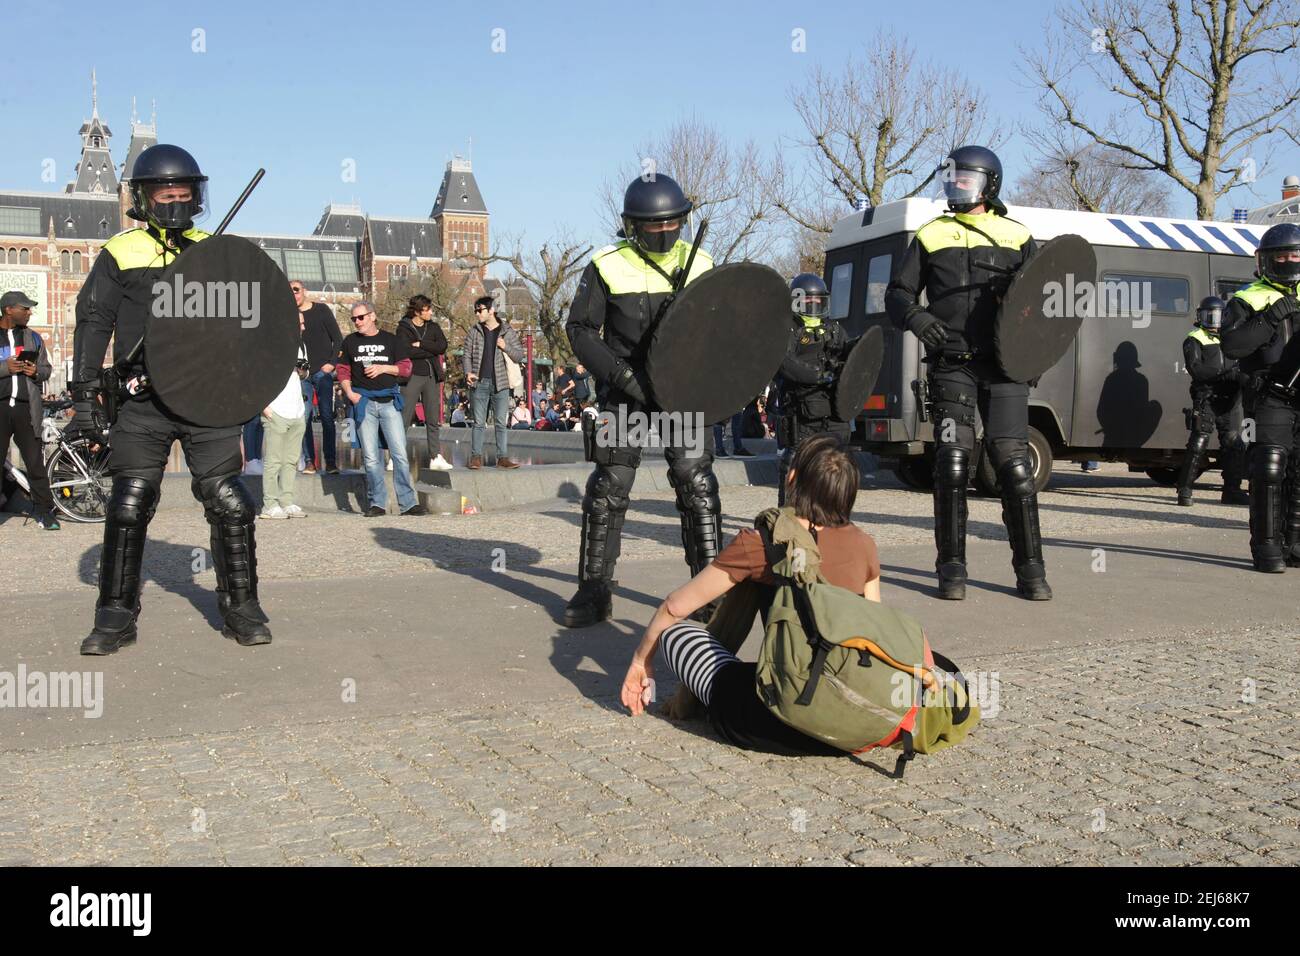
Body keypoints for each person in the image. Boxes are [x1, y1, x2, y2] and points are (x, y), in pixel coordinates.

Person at [70, 144, 271, 653]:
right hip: (142, 400)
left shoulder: (214, 249)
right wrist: (86, 393)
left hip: (207, 401)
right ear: (145, 197)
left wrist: (251, 384)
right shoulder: (121, 251)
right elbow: (94, 322)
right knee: (129, 504)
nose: (176, 201)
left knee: (230, 501)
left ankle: (241, 607)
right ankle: (114, 614)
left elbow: (249, 325)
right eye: (166, 193)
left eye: (184, 193)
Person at [620, 435, 879, 754]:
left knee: (676, 634)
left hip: (782, 722)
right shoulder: (865, 545)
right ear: (849, 493)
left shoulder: (761, 542)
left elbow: (674, 606)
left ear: (792, 477)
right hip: (852, 723)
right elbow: (873, 627)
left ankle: (702, 699)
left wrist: (640, 661)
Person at [885, 144, 1050, 601]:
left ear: (988, 184)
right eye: (952, 178)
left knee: (1014, 466)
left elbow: (1043, 308)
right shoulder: (931, 233)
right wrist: (919, 320)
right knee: (952, 462)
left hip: (1004, 367)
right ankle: (951, 571)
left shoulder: (1017, 235)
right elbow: (897, 294)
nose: (956, 186)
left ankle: (1031, 571)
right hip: (951, 364)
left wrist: (1025, 332)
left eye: (966, 179)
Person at [563, 173, 719, 628]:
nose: (664, 233)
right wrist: (623, 376)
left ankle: (709, 589)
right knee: (609, 487)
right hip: (623, 392)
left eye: (672, 223)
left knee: (698, 485)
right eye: (654, 226)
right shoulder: (606, 263)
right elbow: (580, 330)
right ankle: (594, 590)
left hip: (681, 392)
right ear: (633, 226)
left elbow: (721, 331)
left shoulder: (701, 262)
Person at [1220, 222, 1300, 571]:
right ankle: (1266, 548)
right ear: (1265, 260)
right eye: (1280, 255)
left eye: (1294, 254)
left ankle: (1294, 544)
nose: (1288, 260)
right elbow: (1234, 346)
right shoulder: (1247, 297)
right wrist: (1270, 316)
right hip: (1269, 396)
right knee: (1268, 468)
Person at [337, 302, 426, 516]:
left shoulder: (390, 340)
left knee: (399, 454)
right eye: (354, 319)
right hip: (364, 403)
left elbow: (406, 369)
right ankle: (377, 503)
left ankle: (408, 503)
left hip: (388, 402)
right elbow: (342, 370)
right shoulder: (350, 341)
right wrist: (350, 394)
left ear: (373, 316)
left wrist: (384, 368)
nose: (357, 322)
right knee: (370, 457)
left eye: (361, 317)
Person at [773, 273, 848, 498]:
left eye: (818, 300)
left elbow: (853, 363)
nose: (814, 305)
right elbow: (784, 362)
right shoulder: (787, 330)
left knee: (835, 470)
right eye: (808, 301)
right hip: (800, 415)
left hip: (833, 415)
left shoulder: (835, 330)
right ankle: (788, 520)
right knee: (794, 467)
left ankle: (832, 521)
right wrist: (818, 375)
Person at [1175, 296, 1249, 507]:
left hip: (1230, 398)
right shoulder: (1194, 338)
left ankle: (1232, 490)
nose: (1213, 321)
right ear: (1200, 317)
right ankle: (1185, 489)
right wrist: (1230, 374)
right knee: (1198, 443)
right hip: (1207, 396)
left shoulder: (1231, 336)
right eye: (1208, 316)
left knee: (1234, 444)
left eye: (1217, 316)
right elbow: (1197, 370)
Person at [0, 291, 58, 530]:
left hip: (27, 409)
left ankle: (45, 512)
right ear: (8, 310)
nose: (29, 312)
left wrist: (35, 372)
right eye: (25, 308)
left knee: (35, 463)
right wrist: (5, 368)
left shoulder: (33, 338)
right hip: (0, 408)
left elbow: (46, 369)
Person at [463, 295, 525, 470]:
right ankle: (476, 457)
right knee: (478, 422)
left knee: (500, 422)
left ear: (491, 310)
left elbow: (520, 355)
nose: (477, 314)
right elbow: (466, 354)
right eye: (475, 310)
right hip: (479, 382)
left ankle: (502, 458)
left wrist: (506, 346)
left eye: (480, 310)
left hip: (501, 383)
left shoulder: (507, 331)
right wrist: (468, 372)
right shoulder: (474, 331)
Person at [259, 309, 310, 519]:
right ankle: (269, 504)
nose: (303, 326)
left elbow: (305, 374)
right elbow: (257, 375)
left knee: (291, 460)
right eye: (300, 323)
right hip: (276, 409)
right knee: (273, 461)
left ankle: (287, 500)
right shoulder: (270, 345)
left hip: (296, 410)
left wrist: (302, 370)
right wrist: (264, 407)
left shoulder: (301, 345)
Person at [397, 294, 453, 471]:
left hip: (431, 376)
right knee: (404, 417)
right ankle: (395, 457)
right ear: (417, 311)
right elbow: (405, 352)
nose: (431, 312)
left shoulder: (434, 326)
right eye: (427, 309)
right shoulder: (403, 328)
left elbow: (442, 346)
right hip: (412, 375)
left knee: (432, 418)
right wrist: (430, 349)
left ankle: (435, 456)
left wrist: (420, 344)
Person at [295, 281, 343, 475]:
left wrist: (331, 363)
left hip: (322, 372)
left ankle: (330, 461)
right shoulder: (288, 315)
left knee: (326, 416)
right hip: (301, 374)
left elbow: (338, 339)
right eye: (290, 291)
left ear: (304, 291)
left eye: (296, 290)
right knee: (304, 417)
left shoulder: (321, 310)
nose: (294, 294)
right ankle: (309, 461)